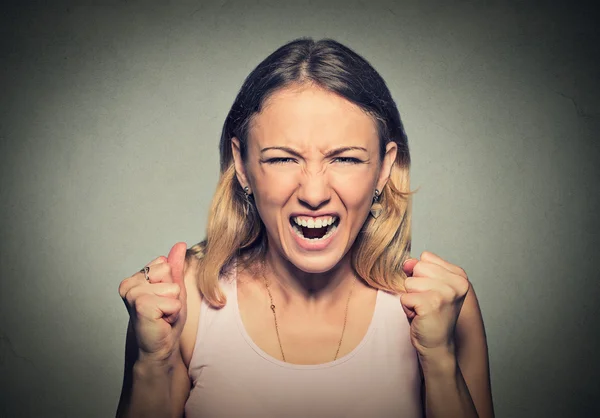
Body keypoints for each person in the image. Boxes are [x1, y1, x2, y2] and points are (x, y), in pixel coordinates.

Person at [116, 38, 494, 418]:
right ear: (243, 167)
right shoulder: (183, 303)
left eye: (345, 158)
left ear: (383, 169)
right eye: (282, 159)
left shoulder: (444, 305)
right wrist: (151, 366)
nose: (314, 193)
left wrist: (441, 363)